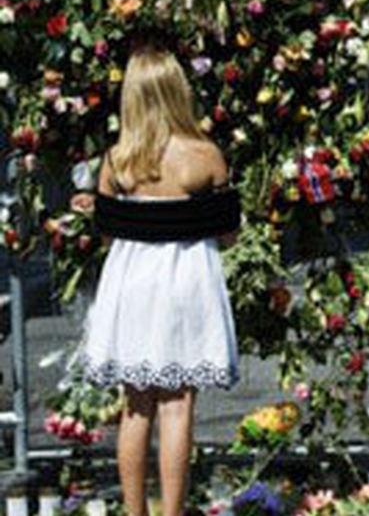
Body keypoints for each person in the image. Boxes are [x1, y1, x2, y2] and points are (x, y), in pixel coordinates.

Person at [72, 44, 240, 516]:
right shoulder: (205, 156)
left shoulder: (117, 160)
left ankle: (133, 511)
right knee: (178, 403)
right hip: (186, 282)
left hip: (132, 282)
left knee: (135, 404)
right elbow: (227, 235)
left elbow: (108, 234)